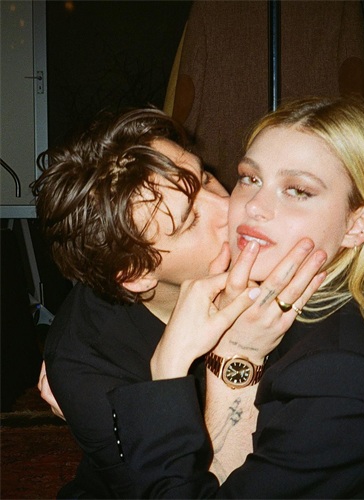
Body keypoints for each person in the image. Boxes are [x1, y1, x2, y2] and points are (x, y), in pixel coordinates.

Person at [103, 98, 364, 498]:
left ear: (357, 225)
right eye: (249, 178)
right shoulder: (273, 305)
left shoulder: (337, 374)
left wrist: (167, 369)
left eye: (297, 190)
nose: (251, 207)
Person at [32, 107, 327, 498]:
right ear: (137, 272)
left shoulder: (272, 246)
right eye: (190, 221)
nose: (232, 208)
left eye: (205, 178)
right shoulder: (88, 370)